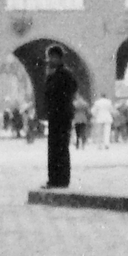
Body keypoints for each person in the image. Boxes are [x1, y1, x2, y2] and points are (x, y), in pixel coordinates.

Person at [42, 45, 77, 189]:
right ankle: (54, 179)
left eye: (52, 57)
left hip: (61, 115)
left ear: (59, 58)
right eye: (49, 57)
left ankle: (61, 179)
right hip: (55, 115)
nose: (50, 60)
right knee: (54, 148)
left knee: (60, 148)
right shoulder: (54, 73)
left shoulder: (64, 74)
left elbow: (69, 89)